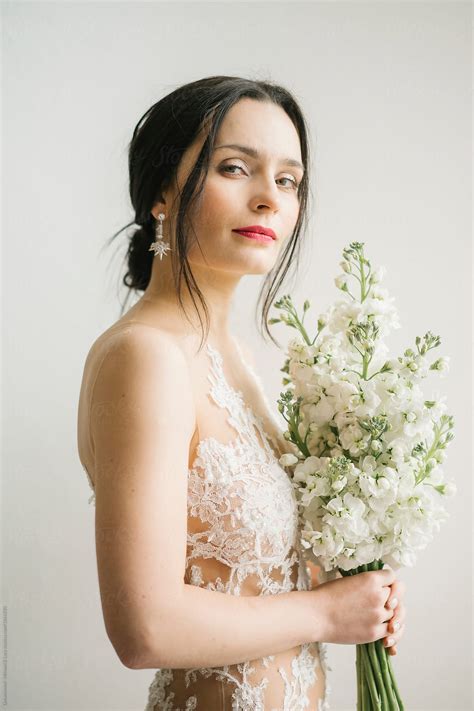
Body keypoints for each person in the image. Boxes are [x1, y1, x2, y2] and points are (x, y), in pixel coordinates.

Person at [77, 75, 406, 711]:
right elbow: (145, 628)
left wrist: (351, 589)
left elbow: (242, 576)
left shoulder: (239, 359)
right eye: (235, 168)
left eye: (288, 180)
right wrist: (325, 614)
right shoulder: (145, 356)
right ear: (161, 193)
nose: (269, 199)